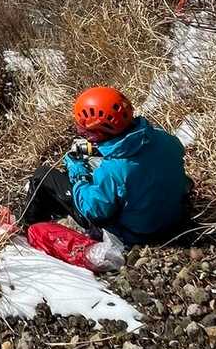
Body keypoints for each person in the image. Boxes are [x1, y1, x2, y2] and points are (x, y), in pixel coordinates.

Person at [19, 85, 191, 243]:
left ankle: (26, 229)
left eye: (87, 132)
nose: (85, 135)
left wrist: (78, 174)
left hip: (137, 234)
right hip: (172, 220)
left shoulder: (115, 168)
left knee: (43, 174)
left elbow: (94, 211)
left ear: (103, 130)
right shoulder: (166, 139)